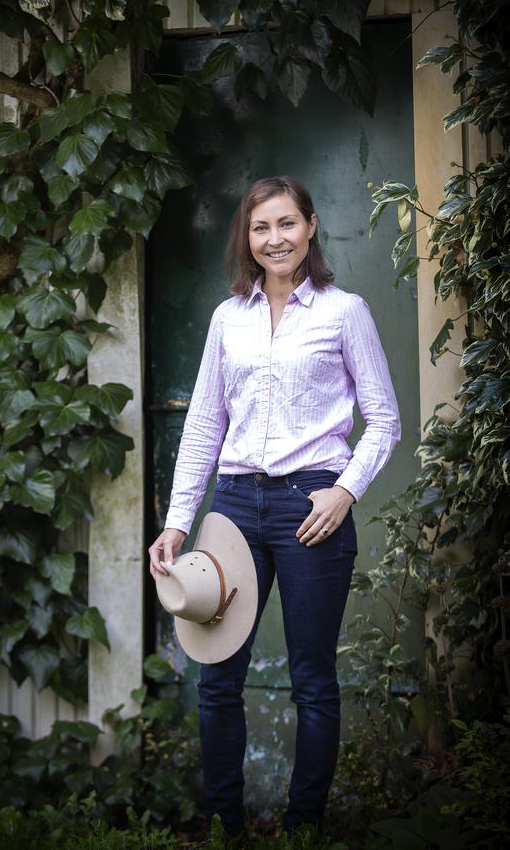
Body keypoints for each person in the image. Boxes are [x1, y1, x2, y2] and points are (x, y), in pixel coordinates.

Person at [148, 175, 401, 839]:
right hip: (233, 507)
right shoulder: (227, 318)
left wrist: (345, 490)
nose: (275, 238)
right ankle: (225, 823)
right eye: (261, 227)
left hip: (310, 506)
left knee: (312, 677)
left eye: (286, 223)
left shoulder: (344, 312)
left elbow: (385, 421)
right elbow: (204, 425)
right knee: (216, 680)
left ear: (311, 227)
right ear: (248, 238)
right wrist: (178, 521)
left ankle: (301, 827)